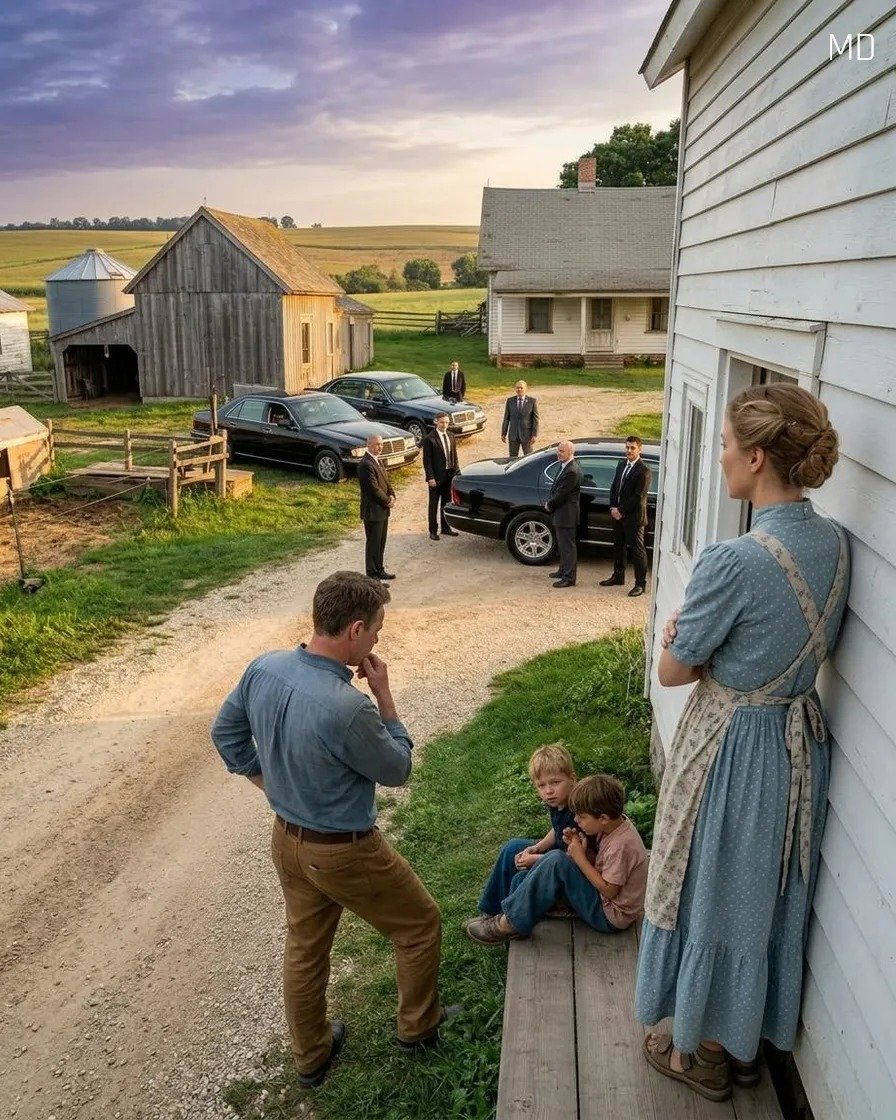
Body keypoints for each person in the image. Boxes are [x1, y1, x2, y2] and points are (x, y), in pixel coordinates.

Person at [635, 384, 849, 1103]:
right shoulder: (833, 544)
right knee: (760, 895)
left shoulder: (735, 560)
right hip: (796, 744)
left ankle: (706, 1054)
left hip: (734, 748)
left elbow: (672, 672)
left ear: (757, 457)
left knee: (713, 890)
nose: (721, 455)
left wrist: (680, 637)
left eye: (726, 444)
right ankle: (743, 1039)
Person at [211, 572, 457, 1089]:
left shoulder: (264, 667)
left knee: (305, 949)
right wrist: (385, 696)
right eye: (376, 631)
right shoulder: (348, 707)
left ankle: (311, 1057)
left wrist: (267, 781)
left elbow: (225, 732)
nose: (376, 641)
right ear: (356, 629)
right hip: (344, 851)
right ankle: (418, 1028)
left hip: (288, 841)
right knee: (418, 925)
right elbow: (397, 770)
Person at [464, 773, 648, 945]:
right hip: (599, 895)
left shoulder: (621, 846)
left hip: (609, 915)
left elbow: (609, 891)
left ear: (603, 818)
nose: (576, 820)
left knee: (557, 860)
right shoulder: (611, 825)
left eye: (581, 816)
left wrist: (578, 857)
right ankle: (495, 914)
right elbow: (601, 862)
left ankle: (508, 925)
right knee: (517, 860)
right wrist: (580, 848)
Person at [476, 743, 578, 916]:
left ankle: (509, 919)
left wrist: (536, 860)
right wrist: (537, 847)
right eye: (541, 785)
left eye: (555, 782)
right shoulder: (558, 801)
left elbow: (574, 860)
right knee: (512, 848)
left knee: (521, 879)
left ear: (572, 779)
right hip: (558, 854)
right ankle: (491, 911)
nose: (548, 791)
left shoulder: (578, 812)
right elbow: (557, 829)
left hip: (570, 869)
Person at [600, 435, 651, 597]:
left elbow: (638, 496)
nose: (629, 450)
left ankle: (640, 584)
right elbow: (614, 488)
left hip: (634, 517)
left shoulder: (644, 470)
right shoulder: (621, 464)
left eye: (632, 448)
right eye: (627, 447)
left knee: (637, 551)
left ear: (639, 449)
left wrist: (620, 510)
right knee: (618, 547)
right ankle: (618, 576)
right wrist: (613, 507)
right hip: (617, 515)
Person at [544, 440, 583, 588]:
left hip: (567, 514)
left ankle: (569, 577)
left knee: (568, 547)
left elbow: (562, 493)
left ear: (570, 453)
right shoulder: (564, 466)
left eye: (561, 451)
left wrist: (550, 504)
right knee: (562, 544)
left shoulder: (571, 471)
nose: (558, 453)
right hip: (561, 513)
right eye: (558, 450)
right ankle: (562, 570)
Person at [358, 434, 396, 581]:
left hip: (382, 510)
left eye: (381, 444)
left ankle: (380, 570)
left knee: (381, 543)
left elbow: (386, 482)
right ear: (368, 445)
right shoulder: (365, 464)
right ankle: (372, 575)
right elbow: (373, 489)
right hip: (373, 511)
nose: (379, 447)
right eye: (376, 444)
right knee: (373, 544)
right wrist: (387, 501)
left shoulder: (377, 460)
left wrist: (392, 494)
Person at [422, 413, 460, 541]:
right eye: (442, 422)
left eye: (447, 422)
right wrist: (430, 477)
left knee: (446, 502)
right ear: (436, 422)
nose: (444, 425)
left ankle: (446, 528)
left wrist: (457, 472)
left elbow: (454, 456)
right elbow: (427, 461)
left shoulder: (451, 435)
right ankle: (433, 531)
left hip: (449, 475)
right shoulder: (429, 439)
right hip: (436, 477)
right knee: (433, 504)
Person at [501, 380, 539, 456]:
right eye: (517, 388)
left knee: (529, 456)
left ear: (525, 389)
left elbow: (535, 419)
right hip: (513, 435)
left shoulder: (532, 401)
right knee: (512, 457)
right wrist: (503, 433)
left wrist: (534, 435)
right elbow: (506, 418)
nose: (519, 389)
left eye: (521, 388)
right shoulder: (510, 401)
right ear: (515, 389)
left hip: (527, 435)